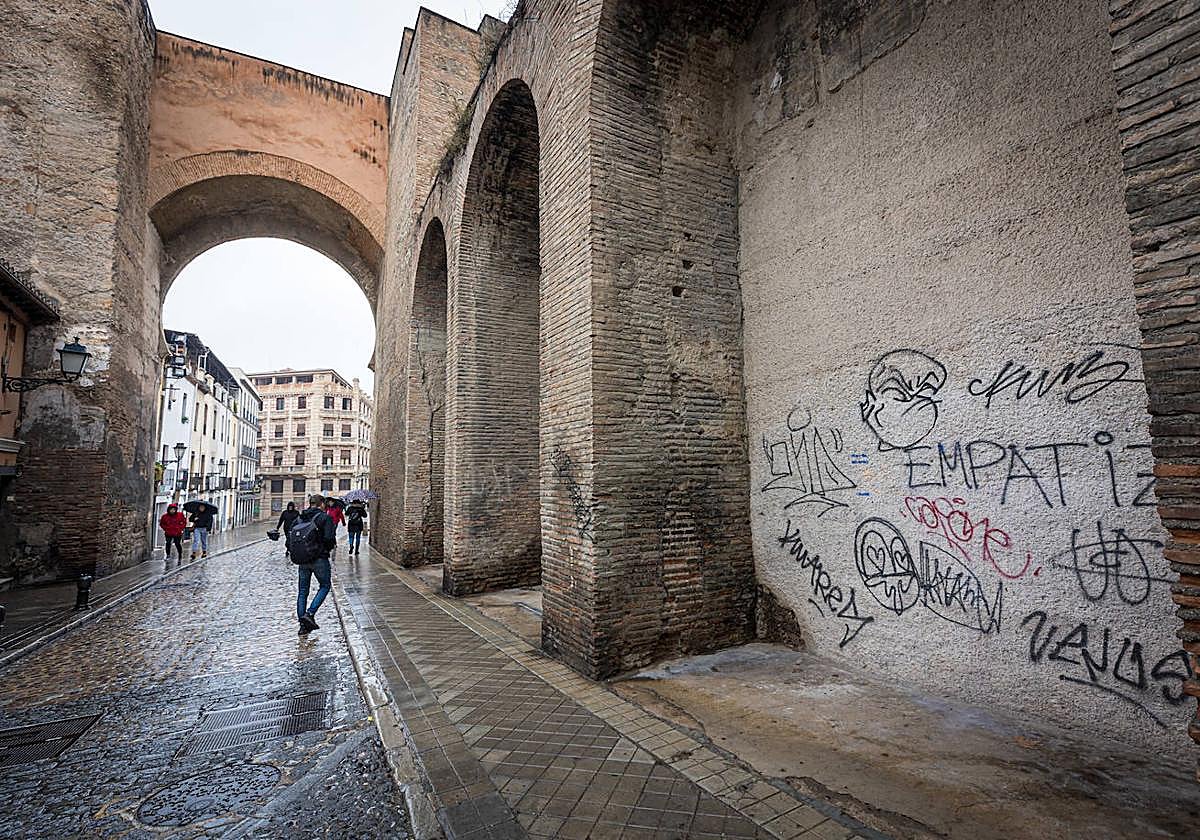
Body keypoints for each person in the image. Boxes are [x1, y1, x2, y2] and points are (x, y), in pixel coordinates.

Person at [291, 494, 336, 635]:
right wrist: (325, 549)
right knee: (325, 585)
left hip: (303, 560)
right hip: (319, 559)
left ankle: (302, 626)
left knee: (303, 591)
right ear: (321, 504)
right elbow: (329, 538)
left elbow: (290, 536)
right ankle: (309, 614)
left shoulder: (299, 518)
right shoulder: (325, 518)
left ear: (310, 503)